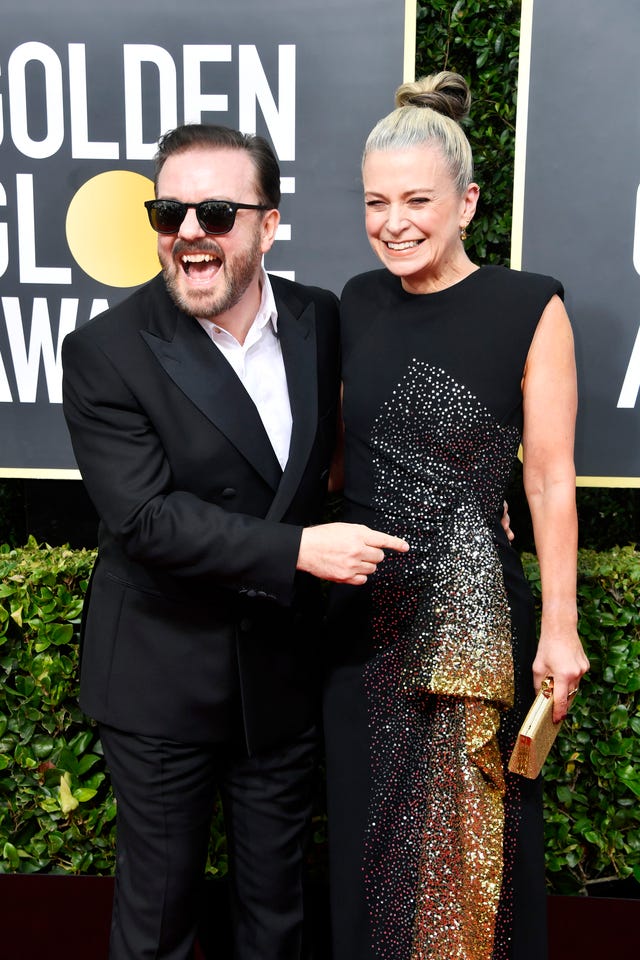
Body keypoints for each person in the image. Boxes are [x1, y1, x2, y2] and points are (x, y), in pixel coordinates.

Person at [61, 123, 407, 960]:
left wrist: (469, 501)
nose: (189, 232)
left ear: (268, 224)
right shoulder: (106, 351)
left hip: (280, 674)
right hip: (161, 679)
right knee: (158, 921)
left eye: (215, 212)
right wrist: (298, 553)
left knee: (277, 915)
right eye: (168, 212)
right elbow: (146, 520)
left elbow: (347, 451)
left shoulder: (320, 319)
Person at [322, 72, 590, 960]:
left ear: (467, 203)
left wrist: (561, 629)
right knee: (370, 855)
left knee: (473, 868)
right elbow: (341, 452)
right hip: (362, 621)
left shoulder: (530, 306)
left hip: (472, 626)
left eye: (417, 201)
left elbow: (549, 478)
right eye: (376, 202)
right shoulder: (357, 301)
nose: (393, 222)